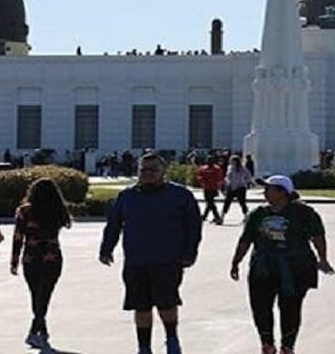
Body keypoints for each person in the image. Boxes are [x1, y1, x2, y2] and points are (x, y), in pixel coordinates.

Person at [100, 152, 203, 354]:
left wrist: (190, 252)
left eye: (153, 170)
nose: (147, 174)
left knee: (167, 303)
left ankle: (172, 339)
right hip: (136, 261)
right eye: (143, 170)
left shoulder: (180, 196)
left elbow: (194, 226)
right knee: (141, 306)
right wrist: (106, 249)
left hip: (168, 260)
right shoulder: (127, 196)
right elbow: (114, 225)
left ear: (163, 171)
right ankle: (144, 347)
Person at [229, 175, 335, 354]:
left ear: (282, 192)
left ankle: (288, 346)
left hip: (295, 269)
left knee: (290, 308)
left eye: (269, 189)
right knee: (261, 307)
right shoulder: (258, 214)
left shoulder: (304, 213)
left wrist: (323, 259)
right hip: (263, 268)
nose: (264, 192)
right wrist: (236, 262)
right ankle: (267, 344)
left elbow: (318, 237)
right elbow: (246, 240)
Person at [11, 177, 72, 350]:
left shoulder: (24, 211)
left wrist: (14, 261)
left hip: (31, 257)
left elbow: (18, 237)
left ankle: (36, 330)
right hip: (53, 256)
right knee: (45, 294)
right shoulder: (58, 210)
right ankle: (40, 331)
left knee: (35, 294)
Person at [221, 154, 253, 220]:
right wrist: (226, 183)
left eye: (232, 161)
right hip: (231, 187)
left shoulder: (242, 168)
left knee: (242, 202)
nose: (231, 162)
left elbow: (249, 176)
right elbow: (227, 177)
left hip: (240, 187)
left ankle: (246, 216)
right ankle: (222, 217)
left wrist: (244, 182)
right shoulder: (229, 167)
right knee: (227, 202)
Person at [196, 159, 225, 225]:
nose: (210, 162)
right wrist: (202, 182)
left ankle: (216, 217)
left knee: (210, 202)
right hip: (206, 187)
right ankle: (205, 216)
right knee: (209, 202)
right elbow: (199, 176)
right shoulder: (203, 168)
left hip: (213, 188)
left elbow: (220, 178)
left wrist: (219, 186)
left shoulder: (217, 168)